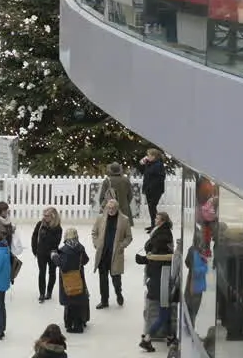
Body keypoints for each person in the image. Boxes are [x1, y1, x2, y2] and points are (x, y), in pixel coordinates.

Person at [139, 212, 177, 352]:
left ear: (162, 221)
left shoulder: (162, 235)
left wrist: (147, 258)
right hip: (161, 281)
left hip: (160, 280)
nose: (154, 220)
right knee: (164, 313)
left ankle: (152, 337)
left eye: (156, 218)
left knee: (164, 313)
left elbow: (152, 249)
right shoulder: (162, 234)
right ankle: (164, 337)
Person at [91, 198, 133, 309]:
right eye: (109, 207)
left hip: (115, 254)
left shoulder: (124, 220)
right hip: (103, 254)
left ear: (117, 208)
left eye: (113, 208)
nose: (111, 210)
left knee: (116, 278)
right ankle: (104, 300)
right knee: (103, 279)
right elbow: (94, 233)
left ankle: (118, 293)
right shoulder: (100, 218)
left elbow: (129, 237)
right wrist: (96, 244)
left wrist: (122, 246)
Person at [52, 228, 90, 333]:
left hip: (67, 281)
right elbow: (86, 260)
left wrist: (54, 256)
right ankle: (80, 321)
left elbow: (63, 266)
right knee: (78, 302)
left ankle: (71, 324)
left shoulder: (64, 250)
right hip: (79, 279)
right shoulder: (80, 248)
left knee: (69, 303)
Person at [31, 207, 63, 302]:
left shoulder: (57, 227)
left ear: (53, 216)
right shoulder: (40, 225)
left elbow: (56, 242)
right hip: (41, 252)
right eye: (44, 215)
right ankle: (42, 293)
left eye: (47, 216)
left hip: (52, 253)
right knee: (42, 272)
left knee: (52, 273)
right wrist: (34, 249)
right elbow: (34, 236)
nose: (44, 218)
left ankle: (49, 292)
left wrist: (48, 232)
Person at [136, 149, 167, 228]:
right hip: (148, 189)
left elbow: (161, 178)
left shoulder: (158, 165)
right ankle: (154, 224)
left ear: (154, 156)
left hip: (155, 190)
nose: (147, 157)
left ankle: (156, 225)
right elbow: (143, 172)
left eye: (149, 155)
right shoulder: (149, 163)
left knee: (152, 207)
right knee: (151, 208)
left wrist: (151, 186)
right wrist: (141, 164)